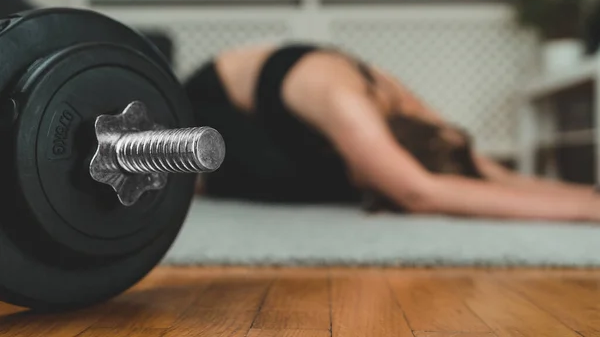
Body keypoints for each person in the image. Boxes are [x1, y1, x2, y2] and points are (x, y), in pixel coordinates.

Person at [184, 43, 600, 222]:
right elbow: (420, 193)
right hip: (213, 103)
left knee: (355, 187)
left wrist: (587, 197)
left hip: (292, 115)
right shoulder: (346, 105)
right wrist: (587, 215)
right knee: (340, 190)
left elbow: (484, 170)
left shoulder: (406, 106)